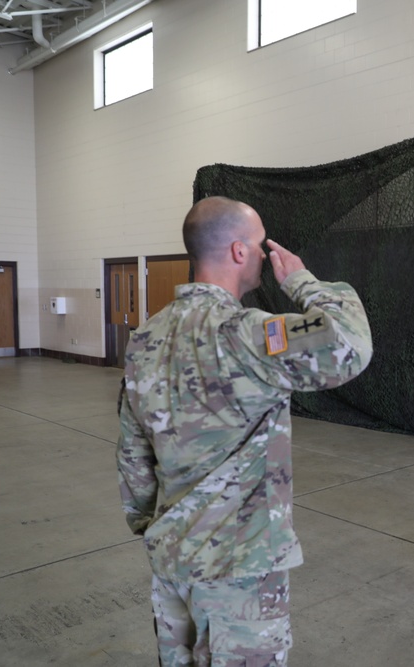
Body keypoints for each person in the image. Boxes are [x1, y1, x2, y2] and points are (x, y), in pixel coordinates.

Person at [116, 196, 373, 666]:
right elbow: (350, 345)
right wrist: (301, 280)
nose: (263, 255)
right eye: (259, 246)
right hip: (241, 569)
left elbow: (133, 456)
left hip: (172, 560)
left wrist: (153, 525)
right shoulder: (252, 334)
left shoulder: (144, 339)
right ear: (238, 251)